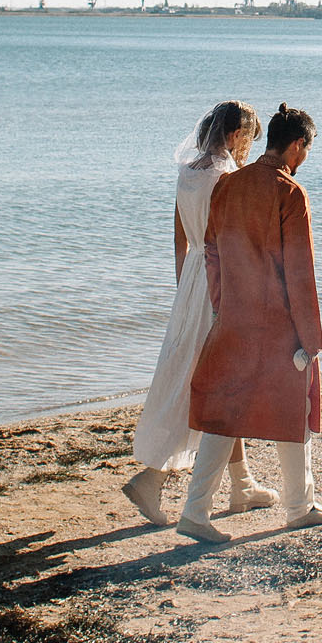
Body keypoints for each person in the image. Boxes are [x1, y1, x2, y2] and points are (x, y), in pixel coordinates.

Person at [174, 102, 322, 542]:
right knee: (294, 411)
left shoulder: (228, 186)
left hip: (233, 318)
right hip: (277, 325)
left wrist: (223, 305)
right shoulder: (290, 194)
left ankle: (195, 511)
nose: (305, 159)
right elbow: (300, 273)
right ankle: (299, 506)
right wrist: (311, 337)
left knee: (226, 414)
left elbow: (210, 251)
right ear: (297, 145)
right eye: (307, 149)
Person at [120, 101, 279, 525]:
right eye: (248, 139)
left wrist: (184, 292)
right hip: (218, 282)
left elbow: (180, 241)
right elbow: (233, 242)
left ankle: (242, 483)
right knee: (216, 385)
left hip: (192, 280)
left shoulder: (187, 172)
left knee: (210, 381)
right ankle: (151, 479)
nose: (248, 147)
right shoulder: (228, 177)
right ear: (233, 136)